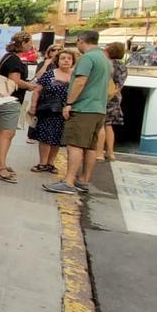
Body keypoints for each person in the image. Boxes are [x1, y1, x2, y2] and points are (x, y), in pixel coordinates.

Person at [45, 30, 111, 195]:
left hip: (84, 108)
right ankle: (83, 180)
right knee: (90, 147)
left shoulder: (87, 58)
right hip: (99, 109)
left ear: (81, 41)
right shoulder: (104, 59)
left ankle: (68, 182)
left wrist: (69, 103)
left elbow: (81, 81)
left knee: (74, 145)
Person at [0, 31, 41, 184]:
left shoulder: (8, 57)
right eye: (30, 42)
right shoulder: (14, 60)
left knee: (0, 131)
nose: (31, 45)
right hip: (10, 99)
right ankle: (1, 166)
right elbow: (15, 81)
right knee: (7, 133)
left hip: (3, 99)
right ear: (23, 43)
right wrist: (30, 86)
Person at [30, 49, 76, 174]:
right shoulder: (49, 74)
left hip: (64, 113)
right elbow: (37, 90)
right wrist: (33, 106)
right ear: (58, 60)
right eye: (63, 58)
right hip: (48, 111)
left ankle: (51, 163)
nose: (66, 60)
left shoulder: (75, 77)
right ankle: (42, 163)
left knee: (57, 138)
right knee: (45, 137)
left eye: (69, 58)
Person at [96, 42, 127, 162]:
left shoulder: (106, 63)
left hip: (103, 96)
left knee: (100, 124)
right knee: (108, 125)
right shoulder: (122, 66)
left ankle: (99, 153)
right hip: (115, 97)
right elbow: (119, 84)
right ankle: (110, 152)